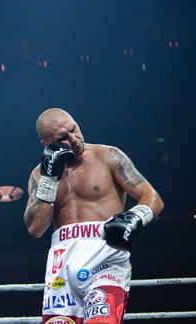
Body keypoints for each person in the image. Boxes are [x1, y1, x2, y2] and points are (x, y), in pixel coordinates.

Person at [23, 108, 164, 324]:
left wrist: (135, 217)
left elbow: (152, 198)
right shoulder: (39, 175)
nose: (74, 139)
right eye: (63, 138)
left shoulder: (107, 156)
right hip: (62, 264)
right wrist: (50, 179)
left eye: (73, 129)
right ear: (46, 144)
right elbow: (35, 228)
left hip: (105, 256)